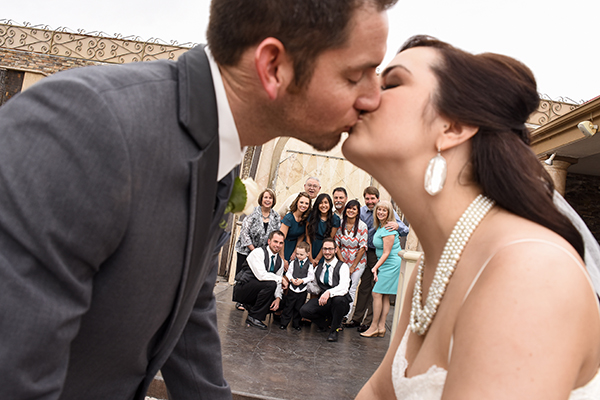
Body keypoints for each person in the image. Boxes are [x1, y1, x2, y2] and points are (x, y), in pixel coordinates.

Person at [0, 0, 397, 398]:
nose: (372, 97)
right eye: (356, 74)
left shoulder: (218, 156)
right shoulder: (83, 125)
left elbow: (189, 310)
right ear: (273, 67)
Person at [343, 35, 600, 399]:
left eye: (392, 83)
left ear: (453, 127)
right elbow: (379, 393)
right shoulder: (433, 268)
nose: (365, 94)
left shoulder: (529, 271)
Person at [344, 186, 408, 333]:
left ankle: (369, 323)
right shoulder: (361, 211)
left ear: (378, 199)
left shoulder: (385, 210)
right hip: (367, 251)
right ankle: (356, 318)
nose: (370, 201)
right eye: (367, 198)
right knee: (365, 286)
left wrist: (397, 226)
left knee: (377, 288)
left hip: (383, 255)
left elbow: (405, 230)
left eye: (373, 198)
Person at [234, 188, 281, 310]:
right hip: (246, 250)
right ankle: (239, 301)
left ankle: (250, 299)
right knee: (243, 276)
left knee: (256, 276)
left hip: (262, 253)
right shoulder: (252, 212)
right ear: (261, 199)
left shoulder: (275, 216)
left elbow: (276, 233)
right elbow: (244, 232)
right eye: (265, 197)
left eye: (270, 198)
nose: (267, 200)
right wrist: (253, 249)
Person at [359, 201, 401, 338]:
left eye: (384, 210)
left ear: (389, 213)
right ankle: (381, 327)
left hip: (391, 264)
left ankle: (374, 326)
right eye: (379, 210)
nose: (381, 212)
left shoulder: (389, 228)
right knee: (384, 296)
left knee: (376, 293)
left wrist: (375, 267)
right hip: (385, 263)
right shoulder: (381, 227)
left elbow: (386, 252)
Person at [232, 231, 288, 330]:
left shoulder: (280, 262)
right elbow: (261, 275)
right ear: (269, 241)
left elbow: (278, 284)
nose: (278, 245)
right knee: (270, 284)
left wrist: (278, 298)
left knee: (283, 302)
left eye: (281, 243)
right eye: (275, 242)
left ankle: (252, 308)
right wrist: (281, 279)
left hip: (258, 290)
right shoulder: (258, 252)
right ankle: (254, 317)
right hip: (243, 289)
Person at [300, 238, 351, 342]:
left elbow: (344, 287)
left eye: (330, 249)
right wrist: (303, 281)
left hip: (341, 303)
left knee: (338, 300)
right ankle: (325, 323)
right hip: (325, 302)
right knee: (304, 311)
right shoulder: (318, 268)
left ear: (336, 250)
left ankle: (334, 330)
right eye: (325, 249)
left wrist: (329, 292)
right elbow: (314, 288)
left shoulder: (343, 266)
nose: (327, 252)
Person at [334, 199, 368, 320]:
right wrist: (342, 261)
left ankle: (346, 315)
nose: (351, 211)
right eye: (349, 208)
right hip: (342, 258)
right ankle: (336, 312)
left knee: (352, 287)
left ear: (358, 212)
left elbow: (363, 248)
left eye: (354, 209)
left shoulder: (362, 226)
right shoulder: (340, 223)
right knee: (341, 285)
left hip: (358, 261)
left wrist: (353, 266)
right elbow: (336, 244)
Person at [280, 241, 315, 331]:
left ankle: (296, 324)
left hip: (302, 290)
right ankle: (284, 323)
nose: (299, 256)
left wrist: (302, 281)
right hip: (292, 289)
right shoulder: (293, 263)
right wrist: (291, 279)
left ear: (307, 254)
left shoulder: (310, 265)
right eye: (297, 254)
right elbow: (288, 273)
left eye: (301, 254)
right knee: (288, 306)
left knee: (298, 308)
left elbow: (311, 277)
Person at [306, 193, 341, 265]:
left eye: (326, 203)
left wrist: (317, 259)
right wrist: (310, 257)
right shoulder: (311, 215)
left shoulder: (335, 219)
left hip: (324, 249)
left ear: (330, 204)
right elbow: (307, 236)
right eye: (321, 203)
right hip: (310, 246)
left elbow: (329, 239)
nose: (323, 205)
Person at [280, 192, 312, 262]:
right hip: (284, 246)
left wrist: (295, 252)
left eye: (306, 203)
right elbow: (281, 239)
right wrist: (282, 258)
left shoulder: (305, 219)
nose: (303, 205)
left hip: (296, 246)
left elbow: (301, 236)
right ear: (297, 202)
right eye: (301, 202)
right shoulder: (289, 218)